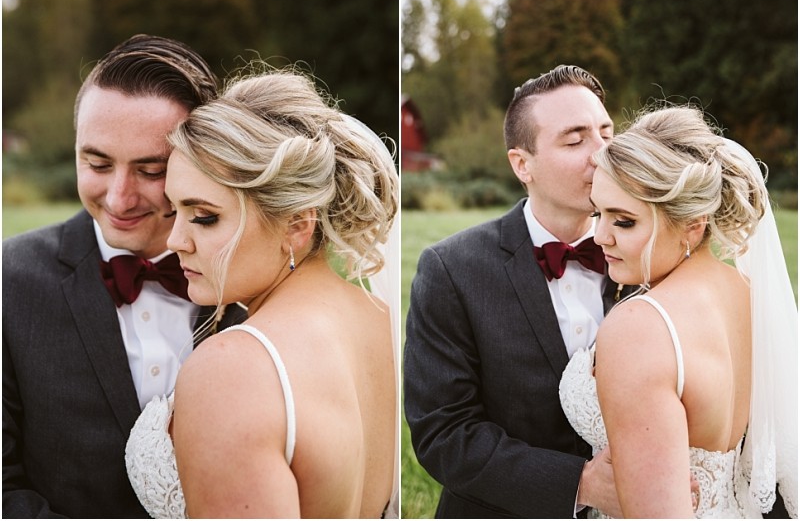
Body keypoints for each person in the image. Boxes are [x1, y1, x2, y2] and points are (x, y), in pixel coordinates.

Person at [124, 67, 400, 518]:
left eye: (205, 216)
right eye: (175, 211)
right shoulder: (380, 320)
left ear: (296, 224)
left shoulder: (233, 370)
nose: (175, 241)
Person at [2, 34, 245, 518]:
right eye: (96, 163)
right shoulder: (9, 283)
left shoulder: (252, 282)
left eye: (151, 170)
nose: (118, 198)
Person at [404, 64, 631, 518]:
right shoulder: (451, 270)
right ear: (521, 164)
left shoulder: (651, 258)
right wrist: (580, 484)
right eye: (575, 139)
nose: (603, 154)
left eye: (607, 133)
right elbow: (445, 433)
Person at [559, 104, 797, 518]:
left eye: (625, 221)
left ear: (693, 223)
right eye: (599, 213)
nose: (599, 236)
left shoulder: (641, 328)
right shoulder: (745, 293)